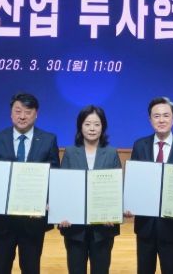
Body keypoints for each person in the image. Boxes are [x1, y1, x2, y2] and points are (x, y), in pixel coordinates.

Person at [0, 92, 60, 274]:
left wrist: (47, 202)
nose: (22, 116)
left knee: (31, 268)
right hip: (2, 219)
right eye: (18, 111)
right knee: (0, 268)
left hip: (33, 219)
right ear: (11, 113)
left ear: (36, 114)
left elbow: (54, 175)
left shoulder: (48, 139)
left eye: (28, 111)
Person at [130, 97, 173, 274]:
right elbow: (134, 181)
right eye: (156, 116)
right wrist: (129, 204)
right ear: (150, 119)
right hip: (145, 226)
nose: (161, 120)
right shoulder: (139, 145)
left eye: (166, 115)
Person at [59, 105, 122, 274]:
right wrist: (61, 213)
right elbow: (63, 187)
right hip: (74, 228)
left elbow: (116, 189)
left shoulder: (111, 153)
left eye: (96, 124)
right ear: (80, 126)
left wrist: (113, 213)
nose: (92, 128)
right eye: (87, 124)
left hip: (103, 229)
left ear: (103, 127)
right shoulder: (70, 152)